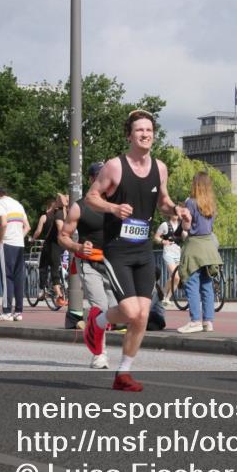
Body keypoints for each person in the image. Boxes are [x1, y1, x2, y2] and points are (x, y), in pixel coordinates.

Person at [84, 109, 185, 391]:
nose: (145, 134)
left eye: (149, 130)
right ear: (129, 135)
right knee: (130, 311)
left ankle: (123, 374)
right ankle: (98, 321)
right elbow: (91, 197)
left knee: (142, 314)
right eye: (139, 130)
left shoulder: (160, 168)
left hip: (143, 251)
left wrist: (176, 211)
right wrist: (113, 207)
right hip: (117, 249)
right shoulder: (115, 167)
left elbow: (163, 202)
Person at [58, 161, 118, 369]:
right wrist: (76, 247)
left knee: (119, 309)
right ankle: (99, 354)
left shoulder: (116, 205)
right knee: (100, 307)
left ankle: (91, 328)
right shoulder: (79, 206)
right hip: (89, 263)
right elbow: (62, 237)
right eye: (100, 176)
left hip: (114, 265)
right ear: (92, 180)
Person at [177, 172, 222, 334]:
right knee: (207, 285)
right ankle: (208, 321)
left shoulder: (190, 202)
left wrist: (183, 220)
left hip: (194, 246)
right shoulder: (211, 204)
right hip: (209, 247)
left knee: (191, 282)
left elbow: (186, 227)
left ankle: (195, 320)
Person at [0, 184, 31, 321]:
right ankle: (18, 312)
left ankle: (7, 311)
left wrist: (0, 240)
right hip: (19, 244)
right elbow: (28, 227)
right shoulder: (18, 204)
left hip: (7, 244)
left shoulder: (0, 203)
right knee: (18, 278)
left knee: (6, 277)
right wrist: (19, 236)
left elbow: (3, 223)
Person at [33, 194, 68, 307]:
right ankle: (60, 288)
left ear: (48, 207)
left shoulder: (46, 216)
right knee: (57, 265)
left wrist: (33, 239)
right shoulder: (64, 214)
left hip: (51, 244)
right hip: (62, 245)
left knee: (43, 266)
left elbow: (38, 231)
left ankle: (44, 291)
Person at [155, 211, 185, 308]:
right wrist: (163, 241)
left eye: (177, 213)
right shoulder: (165, 225)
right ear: (170, 214)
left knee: (175, 278)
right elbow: (156, 237)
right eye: (174, 213)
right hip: (168, 253)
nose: (176, 215)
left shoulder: (182, 225)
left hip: (178, 254)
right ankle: (164, 295)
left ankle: (166, 297)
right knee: (175, 277)